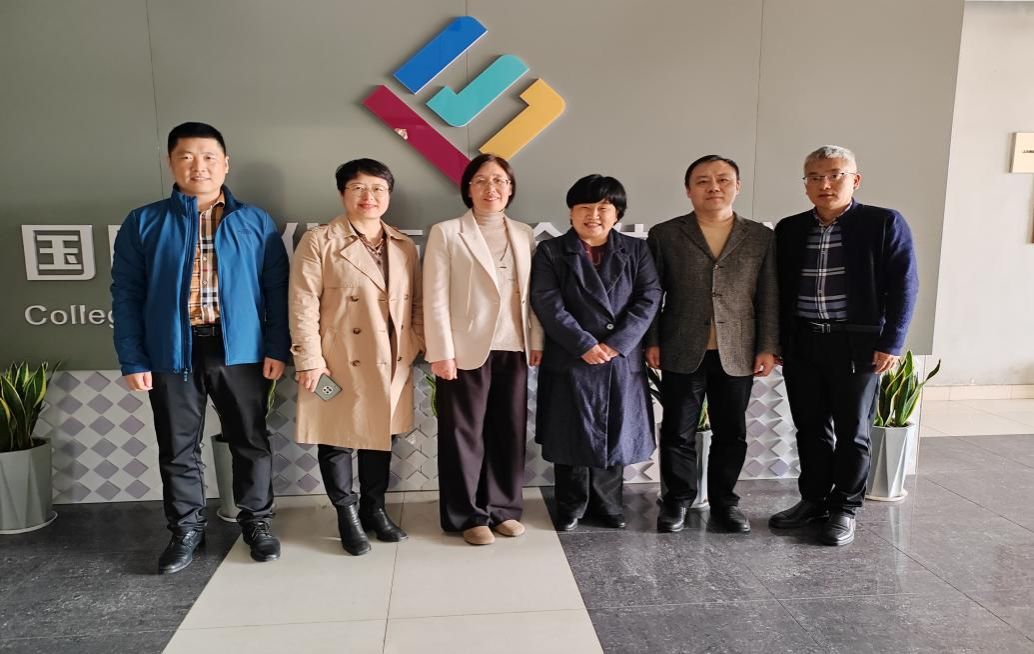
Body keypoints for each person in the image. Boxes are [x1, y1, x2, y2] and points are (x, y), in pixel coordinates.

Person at [111, 122, 288, 574]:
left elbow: (276, 290)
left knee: (250, 440)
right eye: (187, 156)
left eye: (209, 156)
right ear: (171, 163)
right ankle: (187, 529)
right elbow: (126, 294)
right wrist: (133, 358)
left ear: (225, 163)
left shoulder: (255, 221)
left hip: (240, 349)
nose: (199, 166)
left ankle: (257, 521)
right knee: (177, 446)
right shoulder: (144, 221)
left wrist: (276, 347)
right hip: (171, 350)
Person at [769, 145, 918, 546]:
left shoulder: (883, 223)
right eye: (815, 177)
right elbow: (777, 289)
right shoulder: (790, 228)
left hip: (858, 345)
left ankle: (845, 508)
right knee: (809, 428)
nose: (825, 184)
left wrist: (892, 342)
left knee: (853, 431)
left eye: (835, 175)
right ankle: (813, 500)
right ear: (805, 185)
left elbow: (905, 286)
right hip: (802, 341)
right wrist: (777, 339)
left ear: (855, 180)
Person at [289, 159, 423, 556]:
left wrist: (414, 342)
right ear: (342, 193)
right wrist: (310, 360)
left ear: (389, 195)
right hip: (337, 360)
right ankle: (346, 513)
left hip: (391, 358)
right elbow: (302, 304)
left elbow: (416, 303)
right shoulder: (319, 241)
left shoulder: (403, 245)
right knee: (336, 438)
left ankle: (374, 508)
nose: (369, 196)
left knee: (380, 436)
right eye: (358, 188)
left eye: (378, 188)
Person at [646, 155, 779, 534]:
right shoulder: (666, 234)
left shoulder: (760, 236)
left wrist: (768, 345)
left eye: (723, 179)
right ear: (689, 190)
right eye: (703, 181)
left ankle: (725, 502)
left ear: (738, 186)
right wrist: (651, 340)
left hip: (738, 349)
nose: (714, 187)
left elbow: (768, 295)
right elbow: (652, 294)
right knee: (677, 430)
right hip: (681, 346)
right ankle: (677, 500)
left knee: (731, 432)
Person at [423, 153, 544, 546]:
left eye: (499, 181)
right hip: (464, 349)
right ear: (468, 189)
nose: (491, 188)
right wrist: (441, 351)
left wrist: (536, 341)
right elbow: (435, 297)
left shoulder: (524, 234)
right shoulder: (447, 232)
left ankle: (502, 509)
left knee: (509, 430)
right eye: (482, 181)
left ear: (510, 188)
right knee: (463, 433)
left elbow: (533, 295)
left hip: (514, 345)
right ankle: (467, 514)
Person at [531, 175, 661, 531]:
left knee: (613, 431)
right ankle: (571, 504)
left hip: (619, 358)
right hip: (570, 356)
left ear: (617, 213)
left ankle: (608, 503)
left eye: (604, 207)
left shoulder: (636, 250)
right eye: (585, 207)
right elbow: (547, 302)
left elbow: (649, 298)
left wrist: (616, 343)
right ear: (571, 212)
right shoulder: (551, 251)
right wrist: (584, 344)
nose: (594, 215)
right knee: (569, 432)